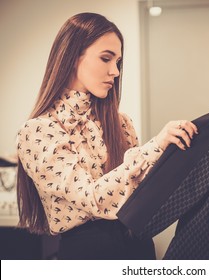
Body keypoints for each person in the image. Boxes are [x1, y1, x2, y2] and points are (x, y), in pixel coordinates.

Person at [15, 12, 198, 260]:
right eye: (106, 59)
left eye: (118, 62)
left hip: (139, 247)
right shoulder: (37, 131)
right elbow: (91, 198)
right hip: (88, 255)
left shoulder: (121, 123)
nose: (115, 71)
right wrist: (155, 146)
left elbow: (140, 194)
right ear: (71, 57)